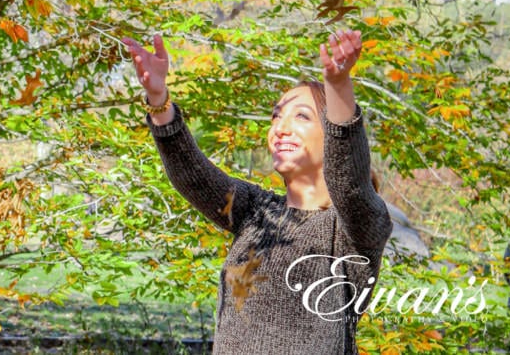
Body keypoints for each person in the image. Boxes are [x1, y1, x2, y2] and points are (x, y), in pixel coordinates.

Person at [123, 29, 391, 355]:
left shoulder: (355, 230)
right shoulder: (255, 211)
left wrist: (337, 86)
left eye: (301, 116)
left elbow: (349, 184)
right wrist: (159, 99)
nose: (280, 128)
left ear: (331, 138)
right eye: (276, 116)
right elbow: (193, 176)